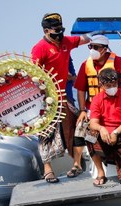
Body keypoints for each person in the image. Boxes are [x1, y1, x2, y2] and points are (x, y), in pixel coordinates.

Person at [31, 12, 90, 183]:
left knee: (75, 126)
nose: (59, 34)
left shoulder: (66, 42)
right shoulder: (39, 48)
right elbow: (33, 75)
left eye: (61, 30)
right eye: (55, 31)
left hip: (65, 95)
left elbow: (83, 39)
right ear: (46, 31)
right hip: (46, 98)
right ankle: (48, 169)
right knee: (46, 133)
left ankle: (77, 164)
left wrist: (100, 31)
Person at [72, 34, 121, 177]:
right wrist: (82, 110)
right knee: (80, 129)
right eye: (90, 47)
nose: (92, 50)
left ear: (104, 49)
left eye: (96, 47)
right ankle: (77, 164)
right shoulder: (86, 64)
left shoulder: (117, 61)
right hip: (94, 108)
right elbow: (81, 89)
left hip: (115, 106)